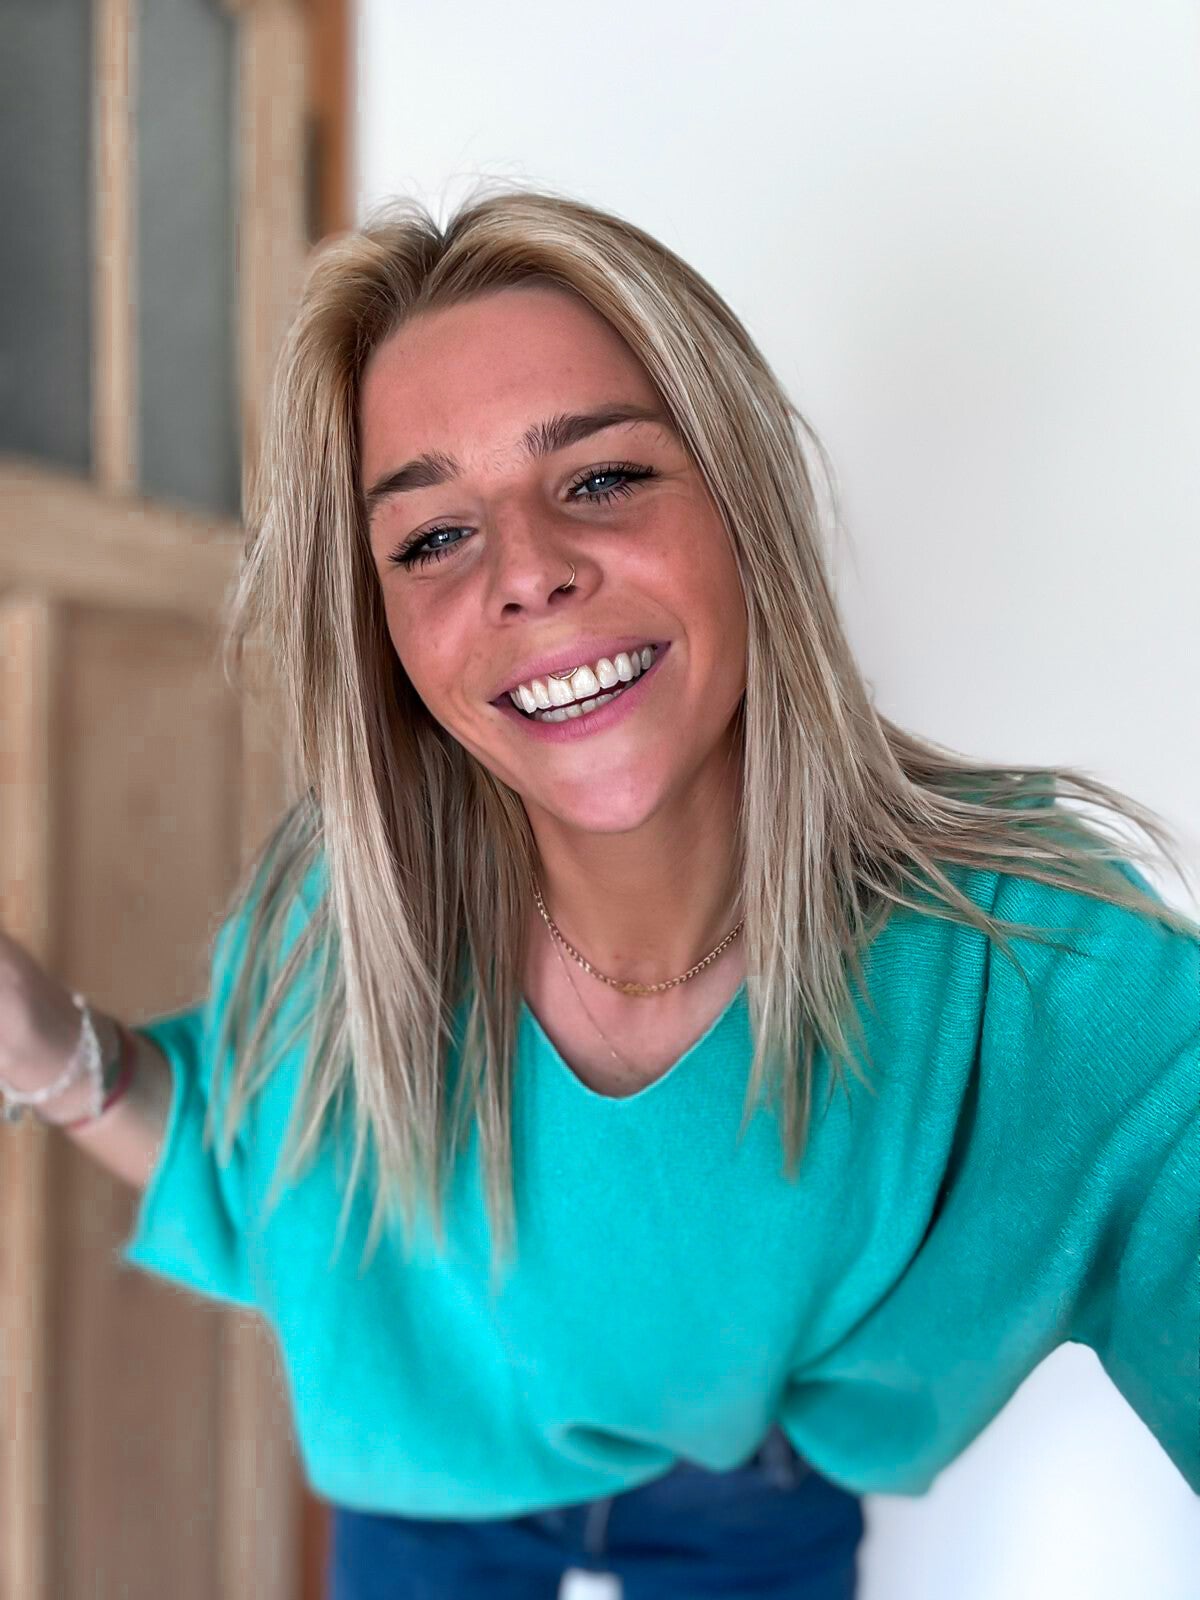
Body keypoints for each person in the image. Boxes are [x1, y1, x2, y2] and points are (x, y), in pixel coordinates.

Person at [1, 184, 1196, 1599]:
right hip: (430, 1481)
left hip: (755, 1502)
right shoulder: (349, 905)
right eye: (432, 538)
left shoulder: (1030, 967)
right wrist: (43, 1044)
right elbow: (246, 1165)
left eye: (602, 478)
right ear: (386, 632)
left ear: (744, 504)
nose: (528, 572)